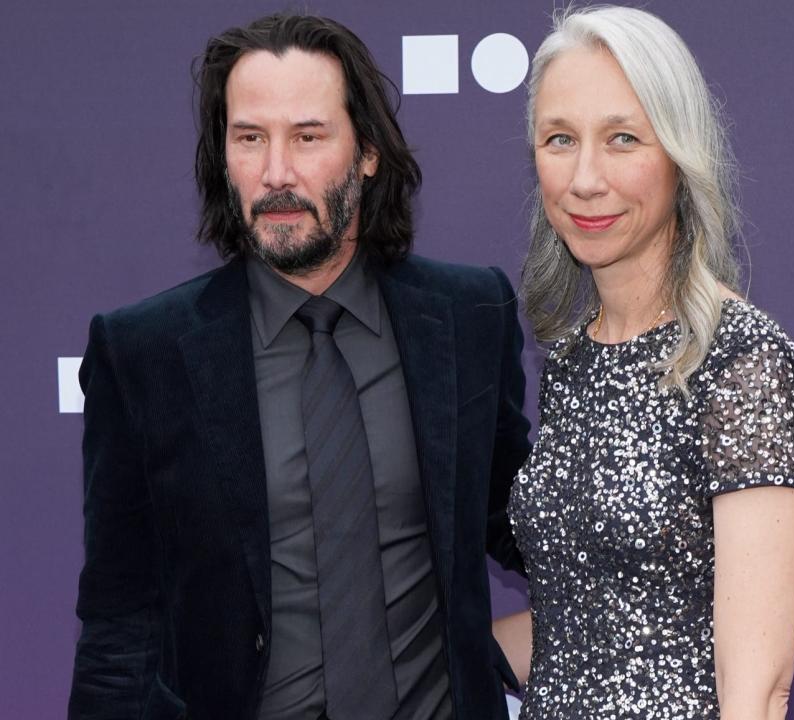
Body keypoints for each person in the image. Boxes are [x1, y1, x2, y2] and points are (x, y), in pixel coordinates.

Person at [68, 13, 530, 720]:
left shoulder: (469, 314)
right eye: (249, 138)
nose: (276, 173)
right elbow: (118, 622)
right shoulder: (144, 353)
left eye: (307, 137)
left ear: (368, 151)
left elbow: (521, 520)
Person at [495, 6, 794, 719]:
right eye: (559, 139)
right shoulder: (575, 359)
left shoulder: (743, 363)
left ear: (679, 153)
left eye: (622, 140)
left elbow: (759, 688)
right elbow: (590, 624)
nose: (585, 178)